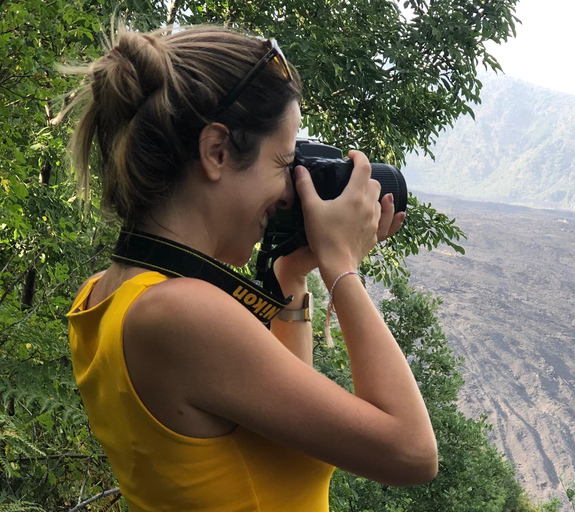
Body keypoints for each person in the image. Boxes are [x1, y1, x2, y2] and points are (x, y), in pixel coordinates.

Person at [65, 23, 437, 512]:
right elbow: (411, 452)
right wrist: (341, 267)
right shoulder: (179, 313)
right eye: (284, 163)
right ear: (216, 152)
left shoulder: (103, 295)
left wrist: (293, 275)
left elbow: (286, 429)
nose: (289, 192)